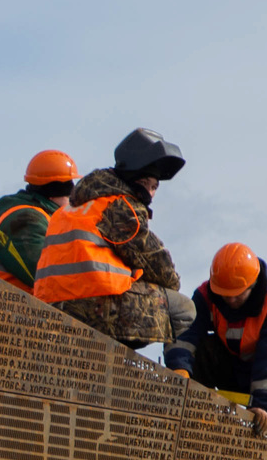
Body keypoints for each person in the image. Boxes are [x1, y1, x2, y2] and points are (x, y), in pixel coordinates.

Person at [31, 128, 187, 349]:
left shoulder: (73, 208)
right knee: (183, 309)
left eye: (155, 187)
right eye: (147, 184)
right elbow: (159, 266)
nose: (151, 194)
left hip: (49, 308)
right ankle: (177, 375)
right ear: (134, 178)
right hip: (93, 309)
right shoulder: (120, 207)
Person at [165, 242, 267, 437]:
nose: (229, 301)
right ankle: (194, 422)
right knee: (199, 351)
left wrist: (266, 405)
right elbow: (185, 330)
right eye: (224, 295)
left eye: (237, 296)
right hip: (239, 365)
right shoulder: (208, 295)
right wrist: (179, 369)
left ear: (252, 285)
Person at [0, 150, 78, 289]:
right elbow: (47, 278)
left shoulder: (44, 219)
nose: (73, 200)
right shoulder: (27, 220)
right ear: (53, 194)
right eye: (69, 191)